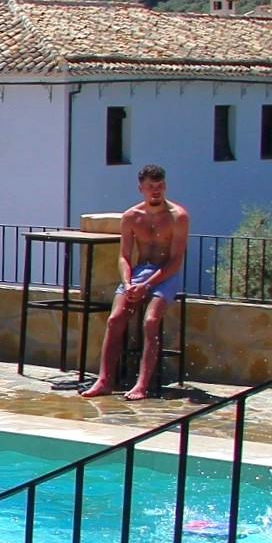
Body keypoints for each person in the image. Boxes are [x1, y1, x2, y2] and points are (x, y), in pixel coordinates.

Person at [83, 165, 190, 401]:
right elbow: (124, 256)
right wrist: (128, 282)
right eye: (150, 187)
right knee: (115, 319)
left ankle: (141, 385)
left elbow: (176, 261)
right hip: (139, 273)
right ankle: (104, 381)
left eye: (160, 186)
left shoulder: (177, 217)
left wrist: (148, 285)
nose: (155, 191)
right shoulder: (131, 216)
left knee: (150, 321)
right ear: (140, 188)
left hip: (165, 275)